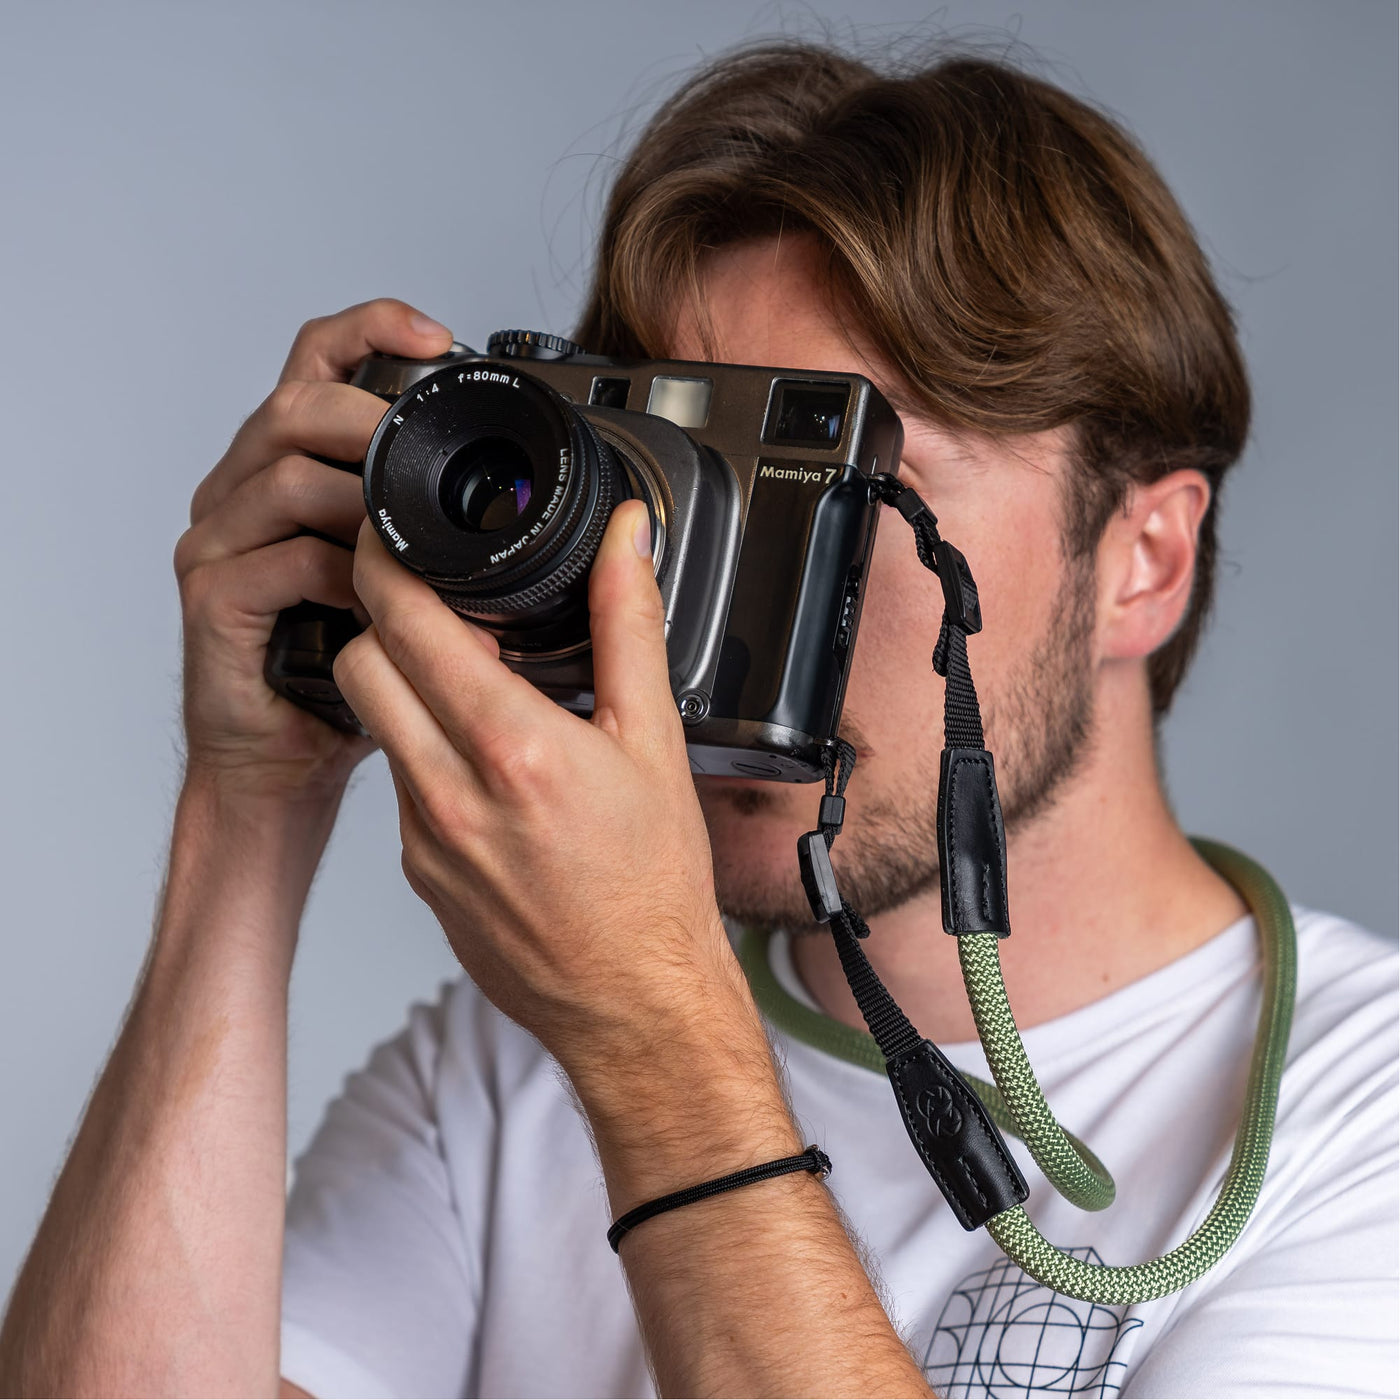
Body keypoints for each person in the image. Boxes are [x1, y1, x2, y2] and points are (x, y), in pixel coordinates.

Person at [1, 40, 1395, 1400]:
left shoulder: (1362, 1115)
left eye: (846, 506)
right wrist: (254, 801)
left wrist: (653, 1040)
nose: (721, 614)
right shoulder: (505, 1073)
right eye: (690, 492)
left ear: (1142, 560)